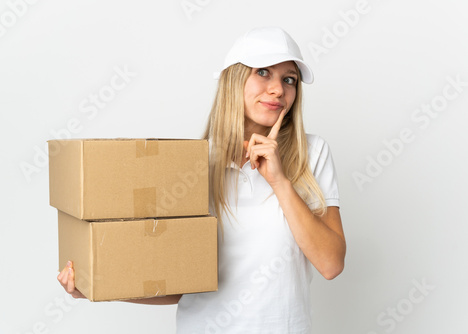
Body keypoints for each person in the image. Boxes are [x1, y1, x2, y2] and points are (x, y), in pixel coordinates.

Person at [58, 26, 346, 333]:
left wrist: (280, 182)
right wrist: (96, 287)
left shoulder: (312, 153)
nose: (278, 89)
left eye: (289, 79)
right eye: (263, 72)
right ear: (233, 79)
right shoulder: (192, 164)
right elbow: (181, 286)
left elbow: (331, 264)